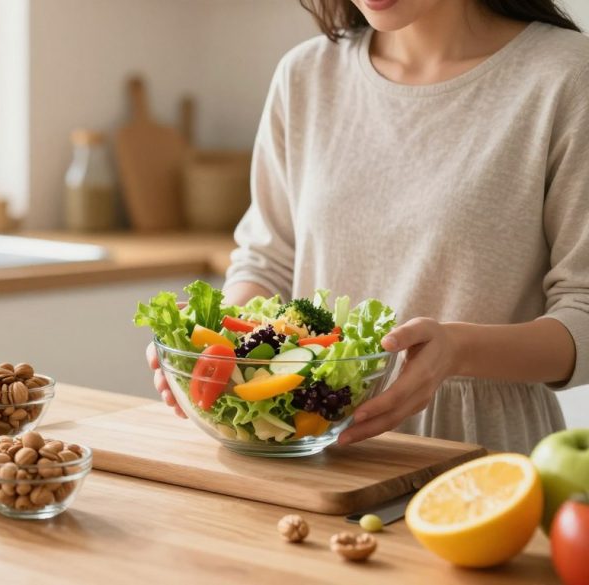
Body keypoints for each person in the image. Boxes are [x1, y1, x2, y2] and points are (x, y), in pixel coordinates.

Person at [147, 0, 589, 454]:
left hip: (479, 458)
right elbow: (270, 262)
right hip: (310, 451)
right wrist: (212, 345)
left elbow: (584, 310)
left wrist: (457, 349)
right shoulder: (306, 75)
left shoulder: (567, 75)